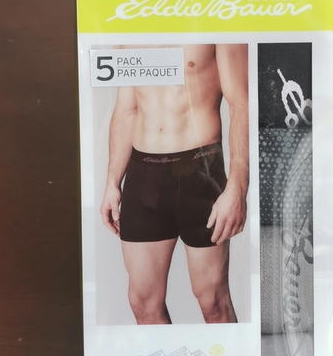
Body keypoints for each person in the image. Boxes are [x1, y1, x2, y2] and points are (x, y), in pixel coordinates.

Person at [100, 44, 249, 325]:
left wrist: (238, 187)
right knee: (143, 302)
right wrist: (112, 182)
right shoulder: (130, 29)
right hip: (144, 175)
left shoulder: (215, 24)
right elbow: (126, 109)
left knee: (213, 301)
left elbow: (241, 102)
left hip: (200, 171)